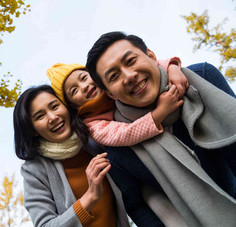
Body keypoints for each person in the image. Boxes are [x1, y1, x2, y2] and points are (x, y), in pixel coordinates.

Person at [86, 31, 236, 226]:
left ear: (151, 56)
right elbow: (138, 206)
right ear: (110, 94)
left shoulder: (202, 78)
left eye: (131, 61)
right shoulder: (119, 150)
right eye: (114, 76)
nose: (129, 76)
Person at [46, 60, 190, 226]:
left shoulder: (113, 85)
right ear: (72, 104)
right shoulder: (91, 124)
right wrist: (160, 113)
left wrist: (172, 67)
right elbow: (123, 134)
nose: (84, 86)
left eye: (84, 78)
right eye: (74, 90)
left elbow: (150, 64)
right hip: (138, 169)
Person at [13, 85, 130, 227]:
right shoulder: (34, 169)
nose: (52, 117)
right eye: (40, 116)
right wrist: (91, 196)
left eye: (55, 106)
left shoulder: (93, 141)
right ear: (33, 130)